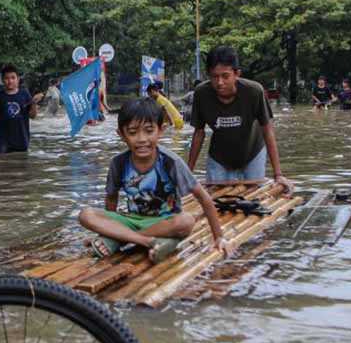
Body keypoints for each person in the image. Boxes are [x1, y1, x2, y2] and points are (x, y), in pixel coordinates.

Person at [79, 98, 230, 263]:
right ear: (121, 135)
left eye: (149, 131)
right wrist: (106, 229)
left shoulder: (170, 161)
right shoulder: (119, 163)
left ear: (161, 130)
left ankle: (123, 239)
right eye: (132, 132)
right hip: (133, 220)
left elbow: (203, 198)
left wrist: (219, 238)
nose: (142, 139)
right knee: (86, 214)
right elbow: (111, 198)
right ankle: (146, 241)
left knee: (186, 220)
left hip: (164, 223)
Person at [188, 46, 292, 192]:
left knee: (254, 196)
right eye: (214, 76)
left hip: (252, 152)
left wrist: (278, 174)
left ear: (237, 74)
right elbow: (199, 133)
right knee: (216, 198)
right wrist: (188, 173)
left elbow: (267, 131)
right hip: (219, 157)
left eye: (225, 76)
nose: (219, 83)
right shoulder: (201, 93)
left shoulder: (254, 92)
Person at [0, 64, 44, 154]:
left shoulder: (24, 94)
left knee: (20, 166)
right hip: (2, 141)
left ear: (18, 79)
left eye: (13, 78)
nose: (10, 81)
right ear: (2, 80)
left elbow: (32, 116)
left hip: (22, 140)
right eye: (7, 78)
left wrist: (34, 103)